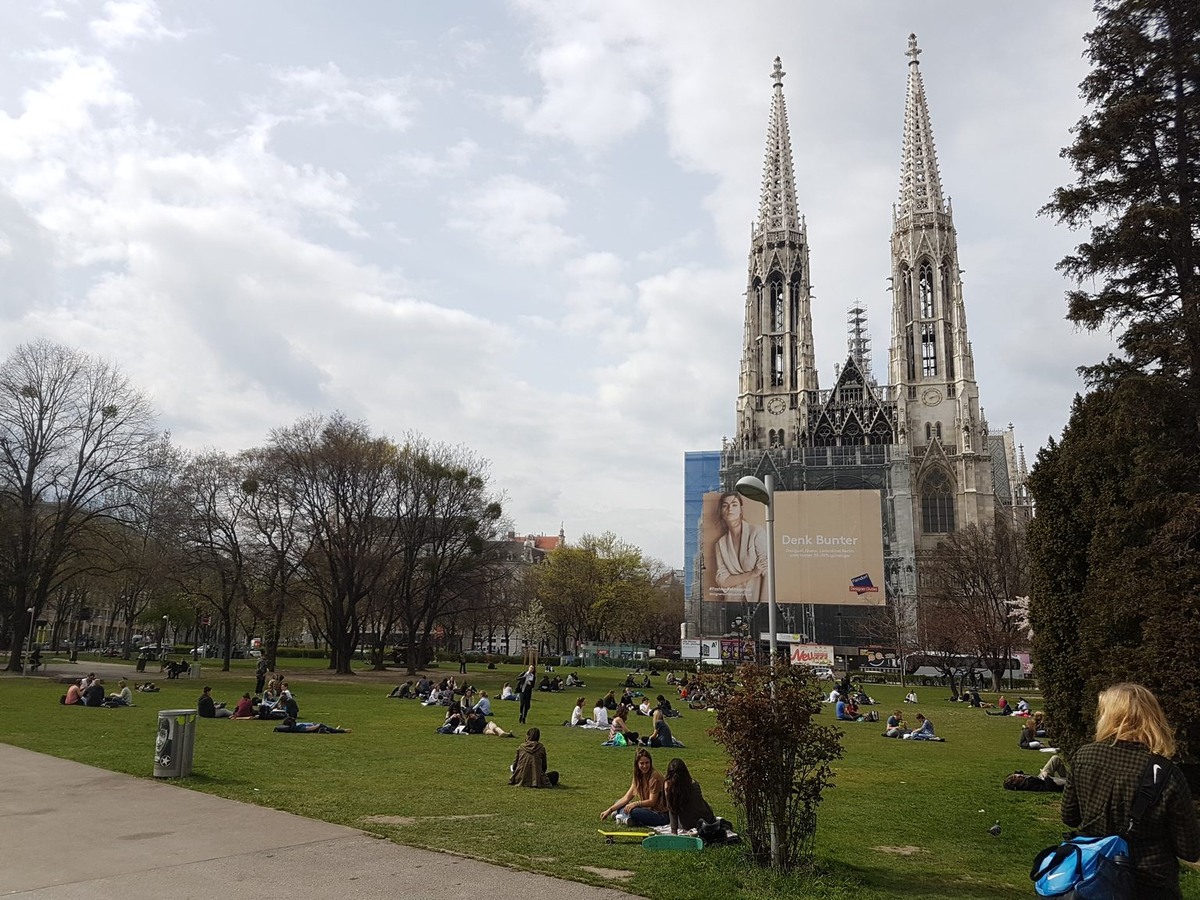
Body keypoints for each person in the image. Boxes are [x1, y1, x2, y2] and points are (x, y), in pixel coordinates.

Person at [1061, 683, 1200, 898]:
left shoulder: (1085, 756)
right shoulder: (1165, 773)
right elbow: (1190, 849)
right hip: (1150, 881)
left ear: (1109, 716)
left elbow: (1069, 816)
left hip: (1094, 877)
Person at [712, 491, 767, 601]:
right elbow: (723, 581)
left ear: (741, 510)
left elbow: (767, 571)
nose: (730, 509)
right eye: (725, 506)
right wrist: (753, 573)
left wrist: (764, 603)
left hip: (756, 600)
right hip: (732, 601)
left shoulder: (756, 532)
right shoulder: (720, 544)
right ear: (721, 512)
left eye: (734, 505)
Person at [599, 748, 669, 827]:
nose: (645, 766)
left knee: (634, 811)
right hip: (647, 809)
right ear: (637, 764)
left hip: (660, 814)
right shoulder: (638, 777)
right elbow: (626, 798)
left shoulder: (655, 777)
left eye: (647, 763)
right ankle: (626, 817)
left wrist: (636, 804)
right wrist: (610, 810)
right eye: (642, 763)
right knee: (619, 803)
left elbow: (652, 802)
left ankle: (624, 817)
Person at [664, 758, 714, 834]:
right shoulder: (694, 784)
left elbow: (672, 809)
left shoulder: (668, 786)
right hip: (705, 819)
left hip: (687, 823)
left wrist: (674, 831)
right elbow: (700, 806)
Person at [275, 717, 350, 734]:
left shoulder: (295, 727)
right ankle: (343, 730)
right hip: (315, 727)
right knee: (331, 729)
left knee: (329, 729)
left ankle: (337, 729)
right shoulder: (298, 728)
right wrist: (318, 725)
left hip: (313, 724)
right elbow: (309, 729)